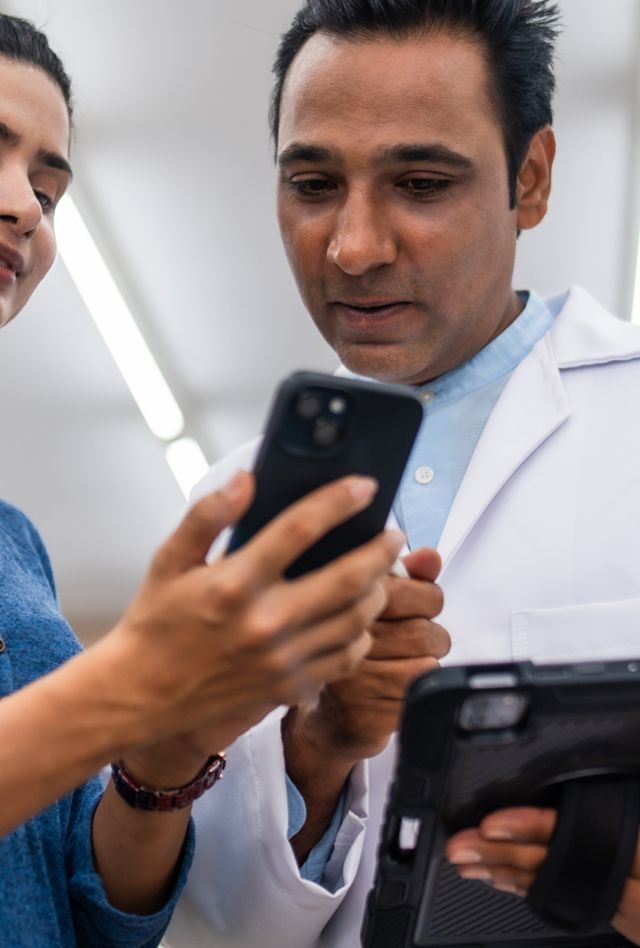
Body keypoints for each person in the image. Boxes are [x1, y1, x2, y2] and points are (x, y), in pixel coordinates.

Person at [173, 1, 640, 946]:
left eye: (420, 182)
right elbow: (215, 916)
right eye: (312, 182)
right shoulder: (227, 509)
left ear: (531, 179)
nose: (352, 248)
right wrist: (315, 749)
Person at [0, 14, 405, 947]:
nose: (27, 204)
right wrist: (133, 681)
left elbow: (96, 916)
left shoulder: (14, 548)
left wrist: (175, 743)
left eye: (51, 188)